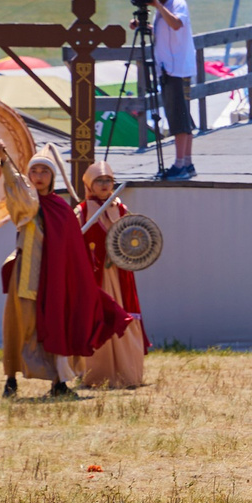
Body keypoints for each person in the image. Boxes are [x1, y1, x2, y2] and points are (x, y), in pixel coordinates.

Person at [0, 142, 131, 400]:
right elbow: (18, 191)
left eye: (45, 171)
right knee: (20, 324)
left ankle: (59, 382)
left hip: (56, 278)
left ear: (52, 176)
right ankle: (11, 379)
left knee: (58, 323)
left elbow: (73, 250)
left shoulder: (61, 210)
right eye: (35, 172)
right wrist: (5, 161)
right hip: (28, 276)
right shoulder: (28, 204)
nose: (39, 177)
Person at [77, 161, 148, 389]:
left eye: (108, 180)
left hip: (120, 275)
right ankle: (97, 375)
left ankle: (128, 375)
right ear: (89, 183)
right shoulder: (81, 212)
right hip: (96, 277)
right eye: (99, 180)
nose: (105, 184)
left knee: (125, 316)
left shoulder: (121, 209)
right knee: (99, 317)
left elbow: (134, 238)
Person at [148, 0, 197, 181]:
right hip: (168, 69)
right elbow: (165, 32)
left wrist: (158, 6)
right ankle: (186, 162)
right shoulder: (161, 9)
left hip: (177, 69)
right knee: (180, 116)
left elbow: (177, 24)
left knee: (179, 119)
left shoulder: (177, 4)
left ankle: (180, 164)